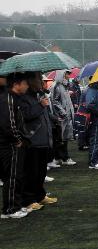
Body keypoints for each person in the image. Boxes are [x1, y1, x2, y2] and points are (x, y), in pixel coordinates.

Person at [19, 72, 56, 212]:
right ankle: (28, 200)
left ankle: (40, 195)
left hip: (43, 140)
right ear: (30, 81)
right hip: (32, 141)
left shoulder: (38, 95)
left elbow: (43, 115)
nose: (42, 81)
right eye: (39, 79)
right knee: (31, 172)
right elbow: (25, 116)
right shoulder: (24, 97)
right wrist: (40, 105)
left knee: (41, 172)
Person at [0, 73, 30, 219]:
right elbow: (8, 124)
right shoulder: (8, 99)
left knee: (15, 176)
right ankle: (10, 209)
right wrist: (17, 140)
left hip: (12, 143)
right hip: (9, 145)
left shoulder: (14, 98)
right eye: (25, 83)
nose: (27, 86)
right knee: (12, 177)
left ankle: (14, 205)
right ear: (16, 84)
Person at [50, 70, 76, 167]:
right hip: (61, 117)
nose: (69, 75)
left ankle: (61, 157)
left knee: (65, 138)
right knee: (60, 138)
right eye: (67, 73)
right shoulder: (57, 86)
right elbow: (54, 101)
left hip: (66, 117)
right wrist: (63, 112)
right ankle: (62, 157)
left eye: (69, 74)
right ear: (62, 74)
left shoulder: (65, 86)